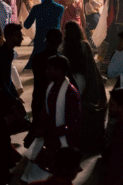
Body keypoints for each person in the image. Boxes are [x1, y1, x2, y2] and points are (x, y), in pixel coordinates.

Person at [22, 54, 81, 183]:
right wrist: (41, 128)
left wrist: (48, 132)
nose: (46, 71)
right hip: (49, 140)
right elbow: (45, 113)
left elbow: (73, 123)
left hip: (62, 142)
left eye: (49, 69)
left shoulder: (71, 93)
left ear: (58, 71)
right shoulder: (50, 88)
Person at [61, 21, 107, 154]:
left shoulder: (63, 46)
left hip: (69, 82)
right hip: (82, 80)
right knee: (84, 109)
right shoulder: (84, 45)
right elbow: (90, 66)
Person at [24, 0, 64, 70]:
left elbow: (26, 25)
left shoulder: (36, 8)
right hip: (55, 42)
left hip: (40, 42)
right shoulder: (60, 8)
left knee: (37, 67)